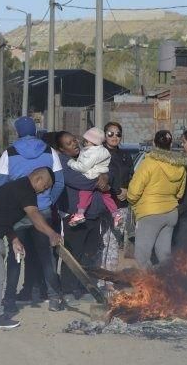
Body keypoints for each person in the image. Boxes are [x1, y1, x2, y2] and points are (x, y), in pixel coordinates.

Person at [0, 167, 63, 329]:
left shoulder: (20, 187)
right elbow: (35, 217)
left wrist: (14, 239)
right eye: (45, 187)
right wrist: (52, 234)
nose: (44, 191)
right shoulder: (25, 190)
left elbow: (5, 217)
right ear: (38, 179)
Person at [0, 116, 65, 313]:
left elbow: (0, 186)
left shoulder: (9, 153)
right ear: (35, 131)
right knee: (47, 256)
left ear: (18, 132)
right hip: (42, 211)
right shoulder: (49, 151)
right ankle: (53, 299)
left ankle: (9, 300)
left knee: (16, 255)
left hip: (17, 213)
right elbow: (59, 182)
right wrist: (48, 199)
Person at [55, 131, 111, 299]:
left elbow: (109, 169)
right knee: (74, 253)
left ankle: (85, 288)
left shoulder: (89, 154)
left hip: (94, 213)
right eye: (69, 143)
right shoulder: (63, 163)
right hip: (74, 215)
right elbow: (81, 181)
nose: (74, 144)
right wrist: (99, 179)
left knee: (89, 253)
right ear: (61, 149)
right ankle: (68, 289)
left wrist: (106, 175)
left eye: (74, 140)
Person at [127, 130, 186, 269]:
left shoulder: (149, 163)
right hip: (171, 213)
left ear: (154, 143)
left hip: (150, 214)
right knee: (164, 255)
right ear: (171, 144)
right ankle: (167, 285)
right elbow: (180, 194)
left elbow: (134, 192)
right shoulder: (180, 166)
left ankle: (149, 287)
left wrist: (132, 201)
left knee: (142, 256)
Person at [65, 127, 121, 228]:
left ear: (92, 142)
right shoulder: (103, 151)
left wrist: (71, 163)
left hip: (92, 175)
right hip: (101, 174)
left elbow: (84, 167)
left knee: (84, 193)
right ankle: (116, 214)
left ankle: (80, 213)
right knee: (107, 197)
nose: (84, 143)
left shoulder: (92, 152)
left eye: (86, 141)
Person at [99, 122, 134, 280]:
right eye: (110, 133)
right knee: (102, 243)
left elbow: (132, 177)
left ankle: (110, 279)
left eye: (118, 134)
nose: (114, 137)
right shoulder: (98, 153)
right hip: (103, 203)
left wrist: (127, 191)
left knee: (114, 242)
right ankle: (99, 279)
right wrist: (115, 190)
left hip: (121, 206)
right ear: (104, 135)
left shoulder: (125, 155)